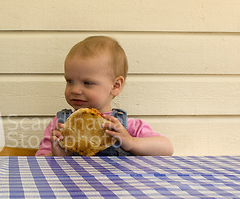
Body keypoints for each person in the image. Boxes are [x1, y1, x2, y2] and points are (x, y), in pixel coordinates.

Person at [36, 36, 173, 156]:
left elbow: (166, 148)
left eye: (87, 83)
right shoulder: (60, 124)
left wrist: (131, 142)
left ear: (115, 86)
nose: (75, 90)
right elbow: (38, 161)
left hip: (116, 185)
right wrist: (56, 156)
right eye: (69, 81)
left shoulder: (124, 126)